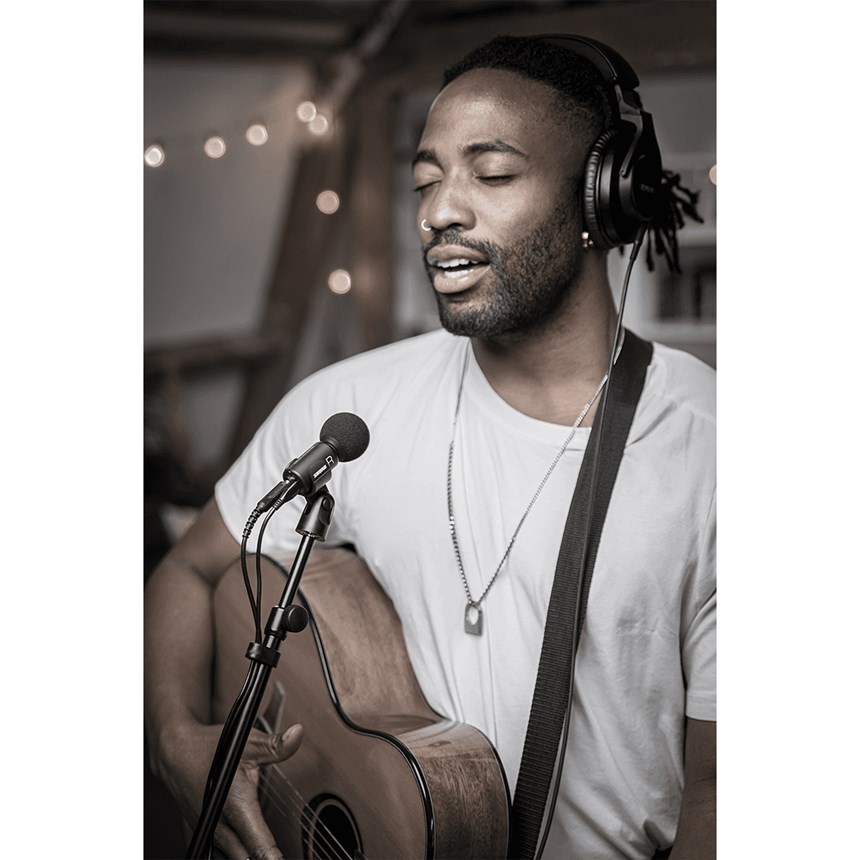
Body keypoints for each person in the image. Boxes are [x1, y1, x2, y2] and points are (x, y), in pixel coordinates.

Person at [144, 35, 715, 860]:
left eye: (492, 174)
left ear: (601, 197)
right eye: (425, 180)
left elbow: (720, 799)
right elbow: (191, 571)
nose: (439, 210)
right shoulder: (348, 409)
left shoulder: (710, 450)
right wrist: (175, 738)